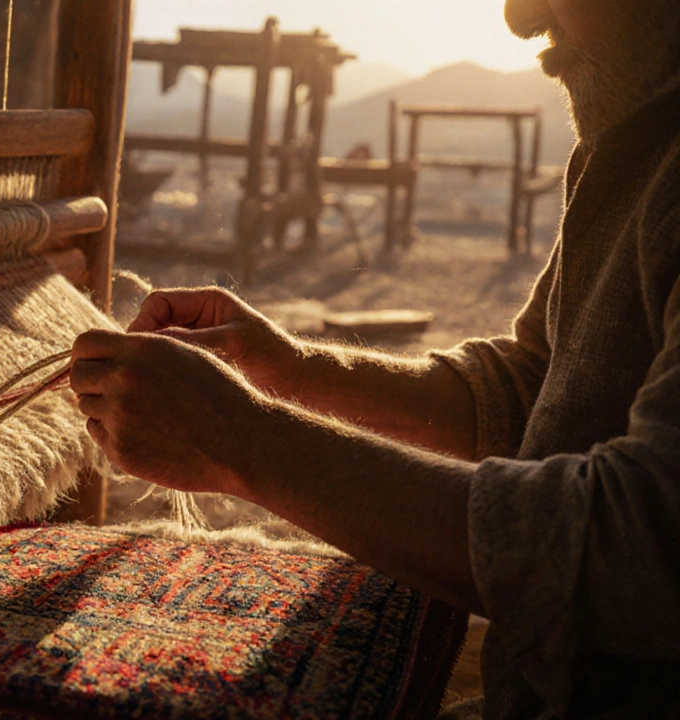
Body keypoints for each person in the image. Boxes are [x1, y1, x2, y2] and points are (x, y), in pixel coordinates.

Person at [69, 0, 680, 717]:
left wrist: (243, 439)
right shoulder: (638, 145)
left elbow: (645, 544)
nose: (519, 18)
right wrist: (291, 369)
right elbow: (535, 389)